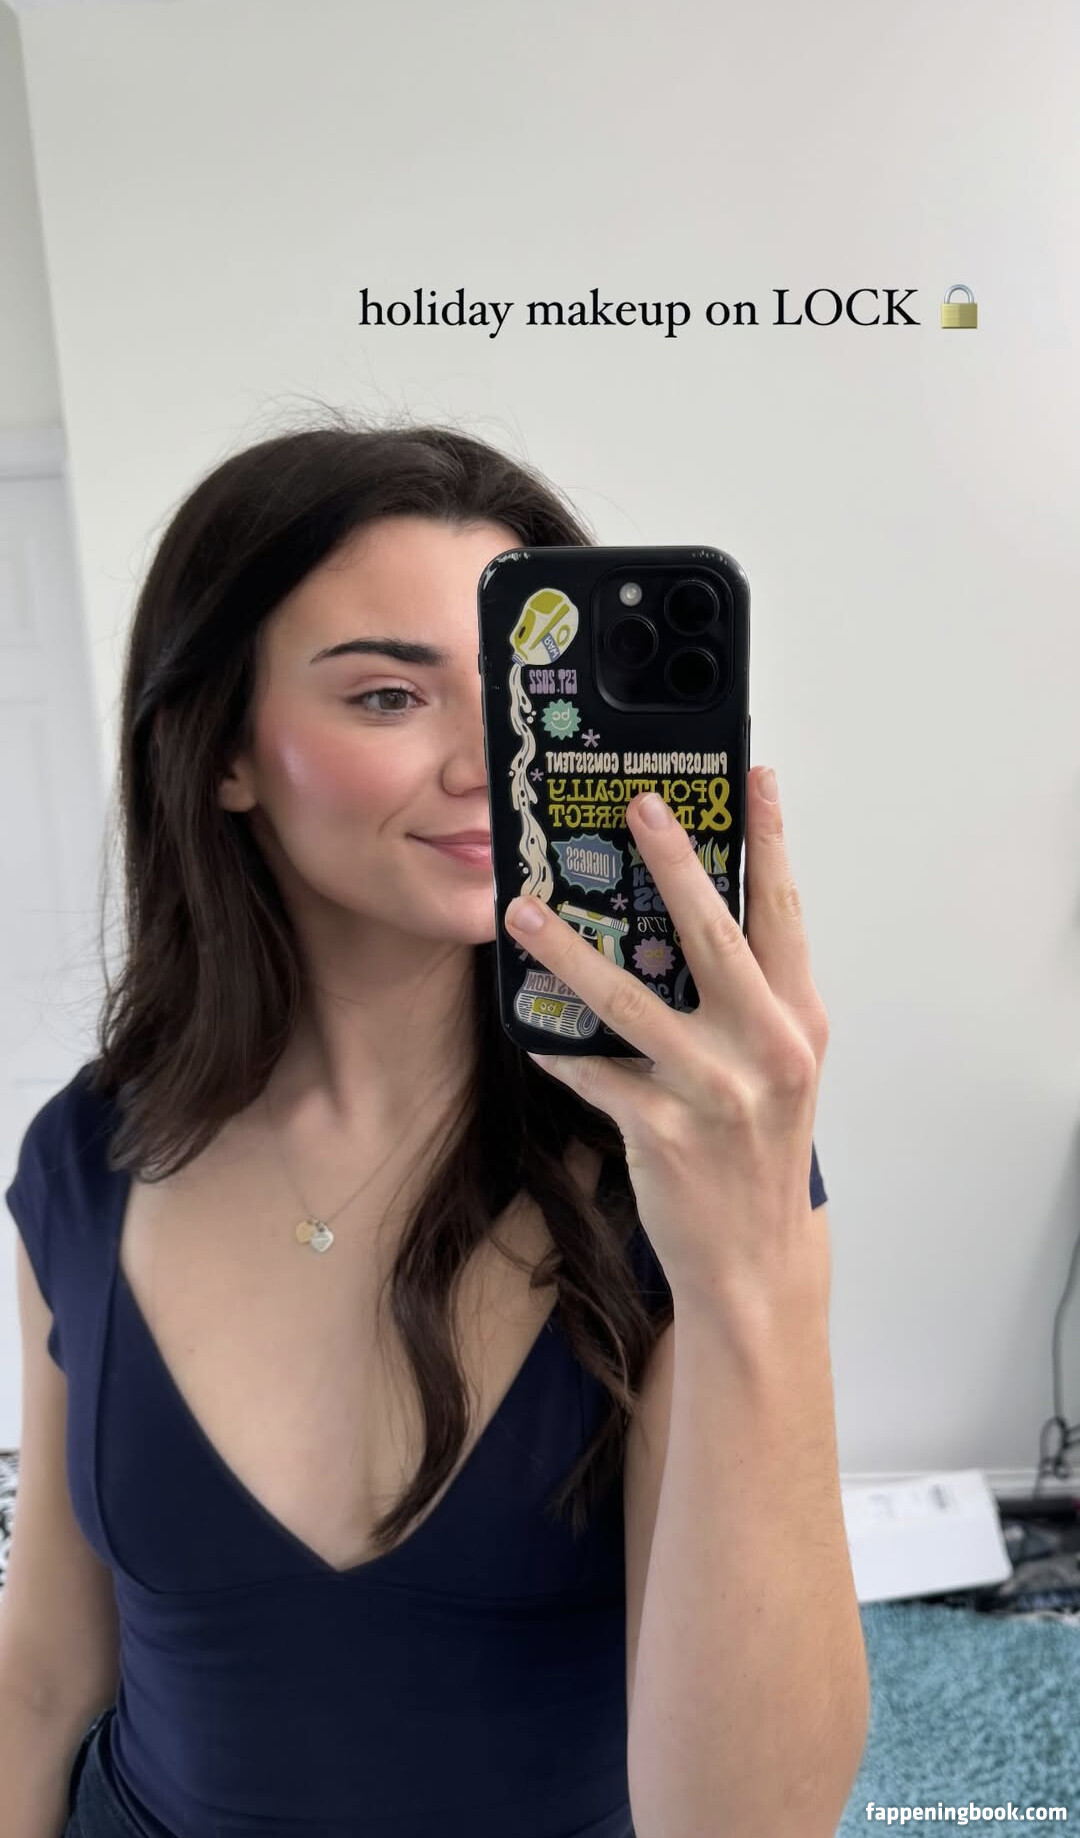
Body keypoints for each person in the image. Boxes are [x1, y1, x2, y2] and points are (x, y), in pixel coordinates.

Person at [3, 413, 828, 1838]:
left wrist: (749, 1261)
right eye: (390, 695)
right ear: (224, 750)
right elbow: (43, 1676)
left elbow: (751, 1822)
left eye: (523, 694)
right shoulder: (84, 1156)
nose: (490, 761)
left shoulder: (687, 1159)